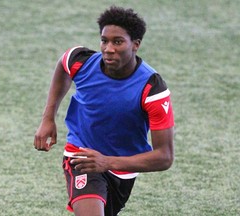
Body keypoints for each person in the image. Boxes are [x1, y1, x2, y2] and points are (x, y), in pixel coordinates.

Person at [34, 6, 174, 216]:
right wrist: (48, 118)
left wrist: (107, 162)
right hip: (82, 156)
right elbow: (64, 64)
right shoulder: (81, 61)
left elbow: (165, 157)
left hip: (123, 169)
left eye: (117, 42)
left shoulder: (152, 89)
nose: (108, 48)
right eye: (104, 40)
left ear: (136, 45)